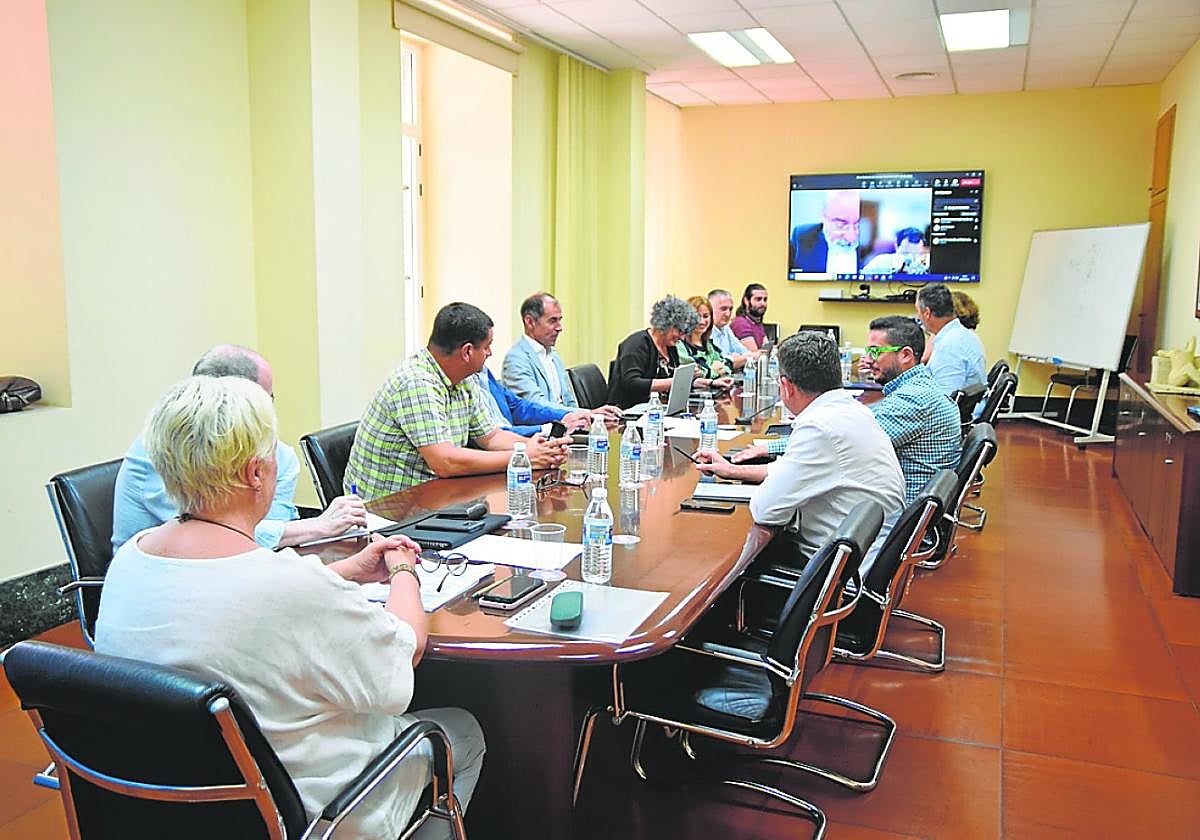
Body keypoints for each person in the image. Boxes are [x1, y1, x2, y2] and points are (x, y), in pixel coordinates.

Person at [95, 375, 484, 840]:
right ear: (255, 474)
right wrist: (403, 571)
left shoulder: (131, 560)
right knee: (461, 730)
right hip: (307, 814)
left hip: (166, 801)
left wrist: (346, 572)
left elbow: (226, 603)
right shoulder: (288, 588)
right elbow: (404, 656)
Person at [112, 344, 366, 554]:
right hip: (170, 578)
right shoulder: (164, 448)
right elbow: (214, 533)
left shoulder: (280, 457)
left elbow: (270, 537)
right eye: (266, 399)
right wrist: (317, 527)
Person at [697, 332, 905, 566]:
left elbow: (766, 510)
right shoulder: (853, 410)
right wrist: (734, 471)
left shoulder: (818, 427)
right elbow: (799, 470)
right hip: (867, 556)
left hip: (836, 573)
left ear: (786, 386)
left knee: (721, 559)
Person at [345, 303, 568, 500]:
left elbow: (491, 437)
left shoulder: (464, 379)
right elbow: (445, 462)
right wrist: (523, 457)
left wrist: (533, 448)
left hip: (436, 496)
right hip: (388, 509)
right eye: (487, 346)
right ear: (467, 352)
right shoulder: (417, 383)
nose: (490, 353)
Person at [501, 292, 623, 423]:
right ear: (530, 321)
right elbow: (536, 405)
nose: (559, 328)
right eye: (553, 321)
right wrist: (586, 413)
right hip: (540, 433)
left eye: (560, 320)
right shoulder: (516, 359)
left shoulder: (552, 354)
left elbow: (568, 400)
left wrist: (584, 422)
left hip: (565, 426)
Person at [608, 295, 733, 409]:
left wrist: (710, 382)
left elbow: (672, 377)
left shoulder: (670, 347)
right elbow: (632, 383)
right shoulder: (637, 344)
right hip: (628, 413)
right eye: (679, 331)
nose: (681, 337)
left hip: (658, 409)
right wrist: (676, 382)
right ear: (665, 324)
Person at [469, 366, 593, 437]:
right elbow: (494, 435)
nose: (489, 352)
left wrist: (566, 416)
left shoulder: (483, 371)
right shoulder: (516, 360)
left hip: (514, 445)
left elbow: (518, 406)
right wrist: (553, 429)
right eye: (485, 347)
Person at [915, 283, 986, 395]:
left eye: (918, 312)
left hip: (953, 411)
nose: (918, 317)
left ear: (927, 313)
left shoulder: (949, 347)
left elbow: (945, 400)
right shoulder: (966, 335)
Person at [790, 189, 863, 275]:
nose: (851, 237)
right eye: (841, 225)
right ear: (824, 216)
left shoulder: (874, 249)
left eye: (857, 225)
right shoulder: (802, 237)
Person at [676, 295, 732, 379]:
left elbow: (728, 365)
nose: (702, 321)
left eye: (706, 316)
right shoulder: (680, 344)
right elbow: (697, 373)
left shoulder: (709, 344)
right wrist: (714, 370)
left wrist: (710, 371)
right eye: (697, 317)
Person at [706, 288, 751, 370]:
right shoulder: (705, 331)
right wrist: (737, 358)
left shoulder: (726, 328)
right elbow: (721, 362)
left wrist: (737, 358)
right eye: (723, 309)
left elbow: (745, 352)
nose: (728, 314)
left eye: (730, 309)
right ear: (709, 309)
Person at [862, 227, 930, 276]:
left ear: (923, 250)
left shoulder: (930, 262)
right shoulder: (881, 261)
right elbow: (863, 277)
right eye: (905, 254)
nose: (910, 259)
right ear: (896, 246)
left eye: (915, 255)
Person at [731, 283, 769, 352]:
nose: (763, 303)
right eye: (758, 299)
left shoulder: (756, 321)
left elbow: (767, 347)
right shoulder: (740, 323)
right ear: (746, 301)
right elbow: (755, 355)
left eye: (765, 299)